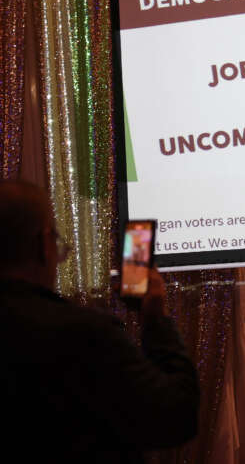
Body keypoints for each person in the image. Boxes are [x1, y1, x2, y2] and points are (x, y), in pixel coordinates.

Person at [0, 180, 199, 462]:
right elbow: (175, 417)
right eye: (57, 241)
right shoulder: (83, 335)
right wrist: (156, 318)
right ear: (44, 245)